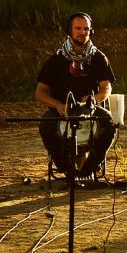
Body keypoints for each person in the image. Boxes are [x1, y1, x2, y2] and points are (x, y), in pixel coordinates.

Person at [36, 12, 118, 179]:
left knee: (109, 123)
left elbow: (106, 88)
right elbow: (40, 92)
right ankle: (67, 169)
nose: (82, 32)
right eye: (78, 28)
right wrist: (58, 105)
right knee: (45, 125)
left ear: (91, 31)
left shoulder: (98, 58)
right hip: (62, 110)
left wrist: (94, 99)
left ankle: (88, 170)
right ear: (69, 30)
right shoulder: (56, 59)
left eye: (86, 29)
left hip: (89, 109)